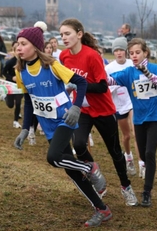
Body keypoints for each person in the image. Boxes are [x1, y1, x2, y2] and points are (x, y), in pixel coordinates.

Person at [13, 21, 111, 227]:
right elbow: (29, 101)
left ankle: (90, 167)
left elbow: (82, 82)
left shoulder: (52, 65)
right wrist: (24, 129)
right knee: (69, 169)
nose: (18, 48)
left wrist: (76, 107)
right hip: (47, 125)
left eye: (23, 43)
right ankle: (102, 209)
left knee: (54, 157)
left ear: (35, 46)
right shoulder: (20, 72)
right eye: (17, 44)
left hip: (65, 118)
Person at [59, 18, 138, 207]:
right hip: (82, 109)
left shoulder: (92, 56)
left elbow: (103, 87)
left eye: (67, 33)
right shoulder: (63, 56)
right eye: (61, 34)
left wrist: (80, 85)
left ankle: (126, 187)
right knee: (78, 144)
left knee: (115, 152)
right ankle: (95, 175)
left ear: (79, 34)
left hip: (103, 110)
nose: (64, 38)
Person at [107, 37, 157, 207]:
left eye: (137, 52)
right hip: (139, 120)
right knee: (142, 155)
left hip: (155, 119)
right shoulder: (129, 72)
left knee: (150, 154)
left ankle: (147, 192)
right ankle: (144, 170)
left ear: (145, 53)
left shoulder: (156, 69)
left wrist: (149, 74)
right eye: (132, 53)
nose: (134, 56)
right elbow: (109, 80)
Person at [105, 37, 140, 176]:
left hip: (132, 102)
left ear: (125, 51)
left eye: (121, 50)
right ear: (113, 52)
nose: (119, 53)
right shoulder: (108, 68)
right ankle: (129, 157)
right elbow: (105, 88)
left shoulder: (133, 64)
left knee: (136, 132)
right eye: (116, 50)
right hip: (118, 105)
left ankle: (142, 163)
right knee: (126, 136)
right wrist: (115, 86)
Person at [2, 43, 23, 129]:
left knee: (18, 102)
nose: (19, 52)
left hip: (20, 85)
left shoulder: (25, 61)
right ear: (14, 52)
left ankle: (15, 121)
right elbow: (3, 72)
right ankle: (5, 97)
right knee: (10, 105)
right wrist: (11, 78)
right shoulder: (11, 62)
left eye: (20, 50)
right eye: (17, 50)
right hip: (10, 84)